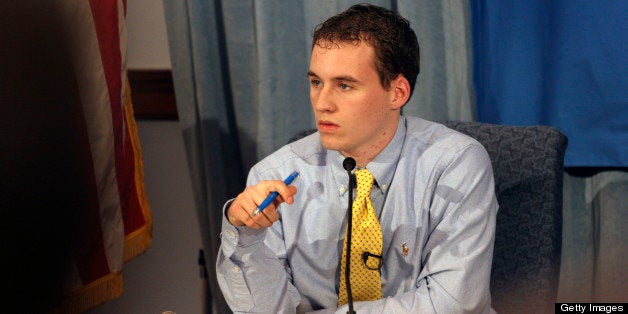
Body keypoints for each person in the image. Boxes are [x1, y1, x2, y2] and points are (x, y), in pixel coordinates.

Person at [216, 4, 497, 313]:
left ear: (397, 93)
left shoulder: (455, 165)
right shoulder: (276, 174)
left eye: (345, 85)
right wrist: (244, 236)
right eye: (316, 82)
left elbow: (453, 304)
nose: (322, 103)